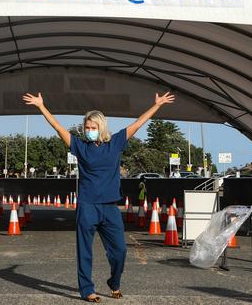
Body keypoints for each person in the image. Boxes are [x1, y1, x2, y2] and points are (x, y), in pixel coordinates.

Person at [23, 91, 175, 302]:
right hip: (87, 206)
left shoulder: (116, 143)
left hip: (110, 207)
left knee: (120, 252)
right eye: (87, 128)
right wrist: (41, 106)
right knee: (85, 252)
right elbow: (58, 127)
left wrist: (157, 105)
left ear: (101, 128)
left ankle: (114, 282)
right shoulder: (80, 146)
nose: (89, 131)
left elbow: (139, 123)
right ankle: (88, 290)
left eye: (93, 128)